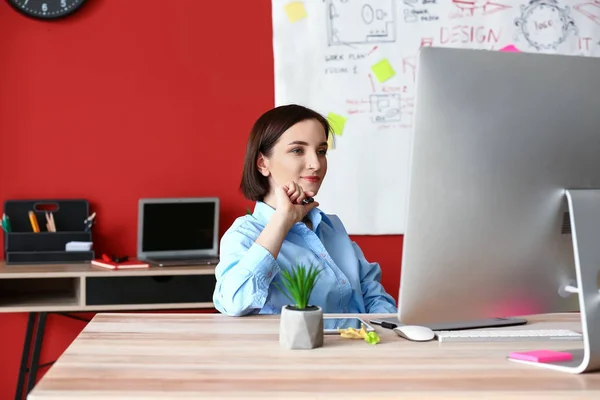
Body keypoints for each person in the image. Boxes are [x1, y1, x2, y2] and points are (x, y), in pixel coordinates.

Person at [213, 104, 397, 316]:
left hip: (360, 345)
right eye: (297, 150)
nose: (316, 164)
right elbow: (233, 303)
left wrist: (391, 332)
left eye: (321, 151)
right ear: (263, 164)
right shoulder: (244, 235)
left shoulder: (332, 227)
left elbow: (372, 295)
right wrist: (282, 221)